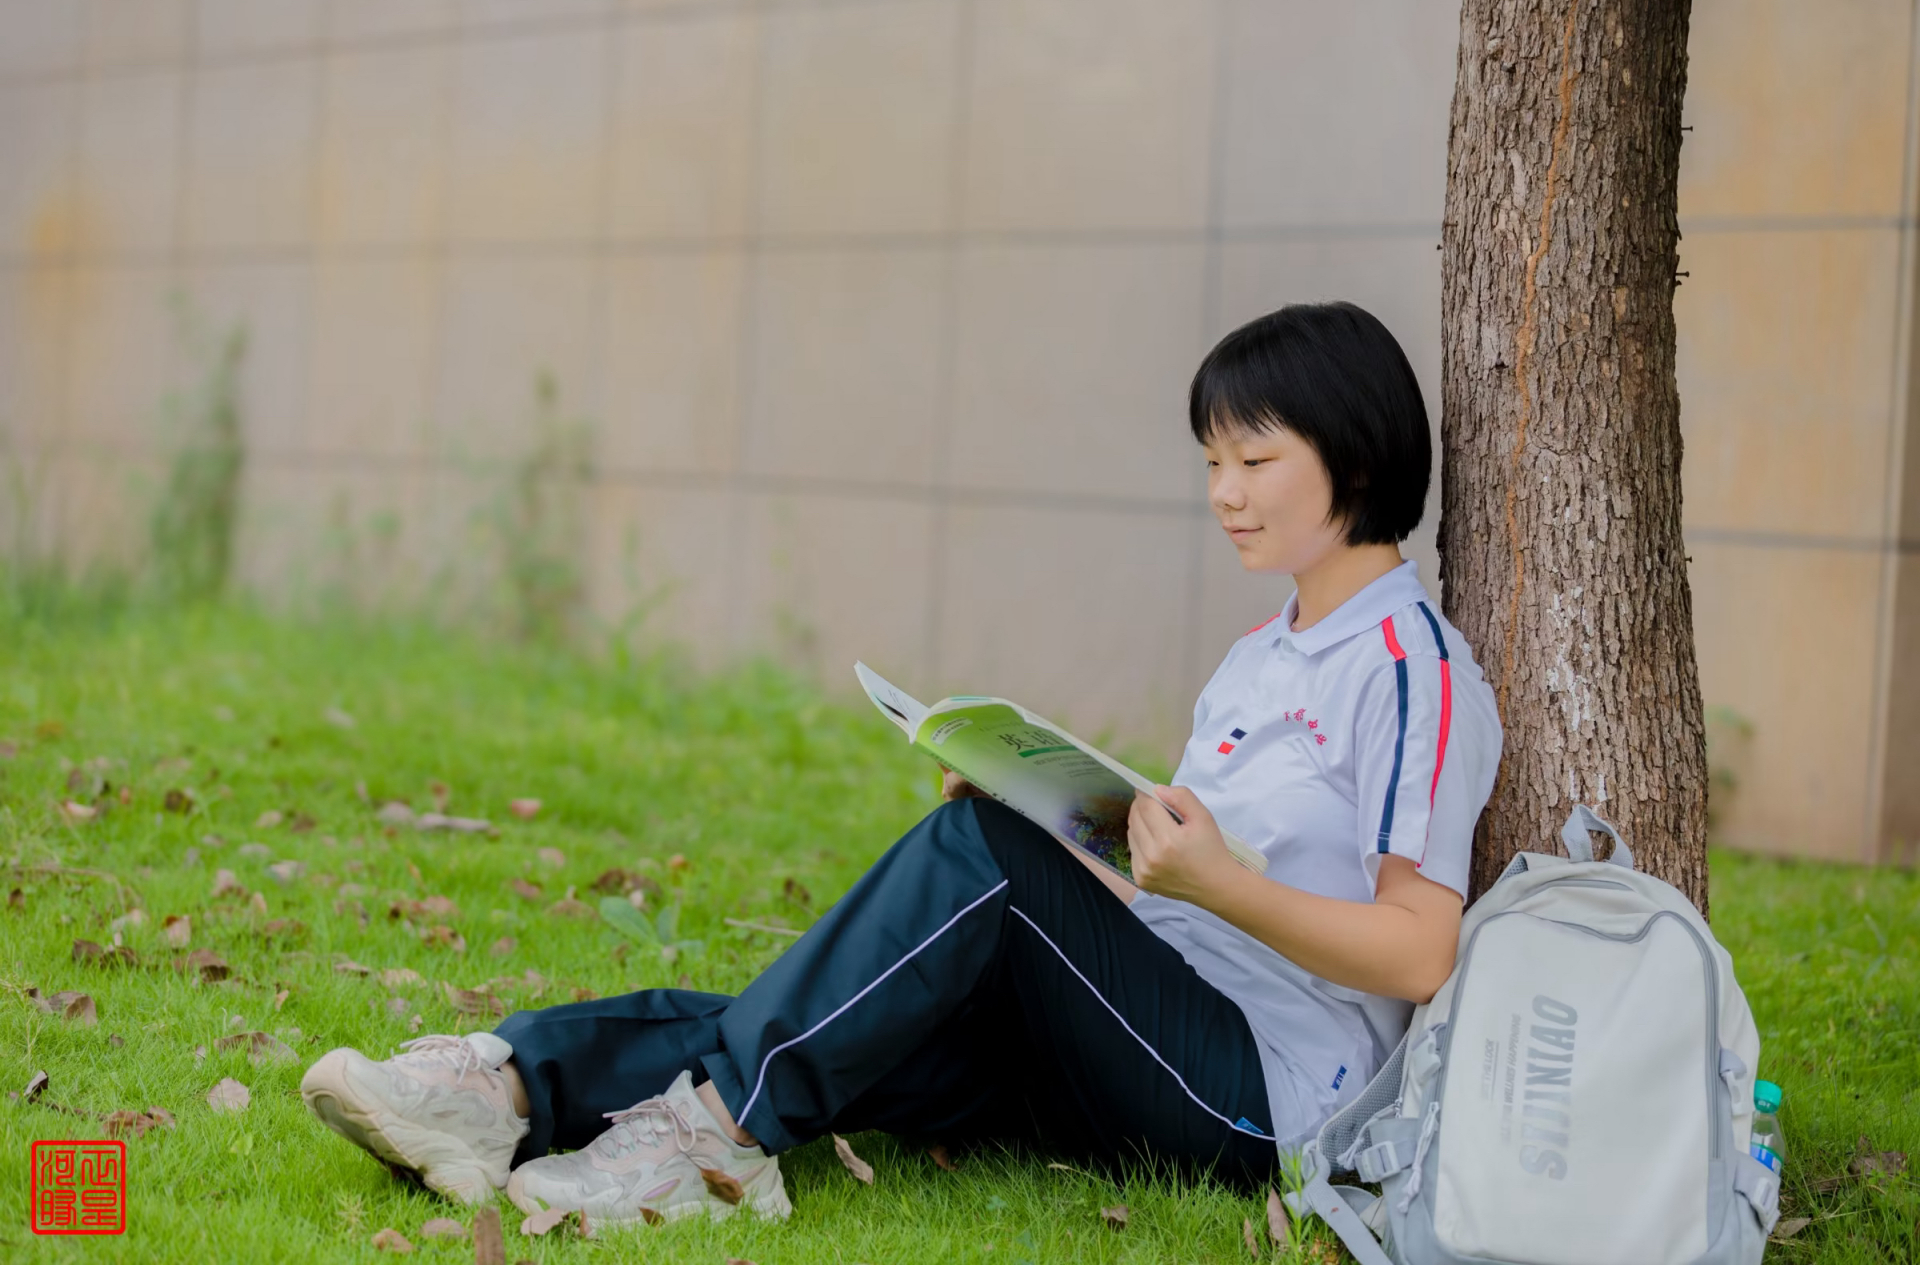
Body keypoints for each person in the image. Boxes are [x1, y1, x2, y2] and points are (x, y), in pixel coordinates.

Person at [300, 301, 1502, 1227]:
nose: (1224, 493)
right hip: (1147, 1017)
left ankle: (713, 1135)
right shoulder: (1258, 656)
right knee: (859, 1001)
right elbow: (1177, 893)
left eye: (1255, 459)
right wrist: (1062, 817)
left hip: (1262, 1093)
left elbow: (1419, 946)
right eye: (1210, 463)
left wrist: (1211, 881)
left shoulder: (1409, 665)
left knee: (974, 865)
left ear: (1350, 452)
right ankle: (502, 1092)